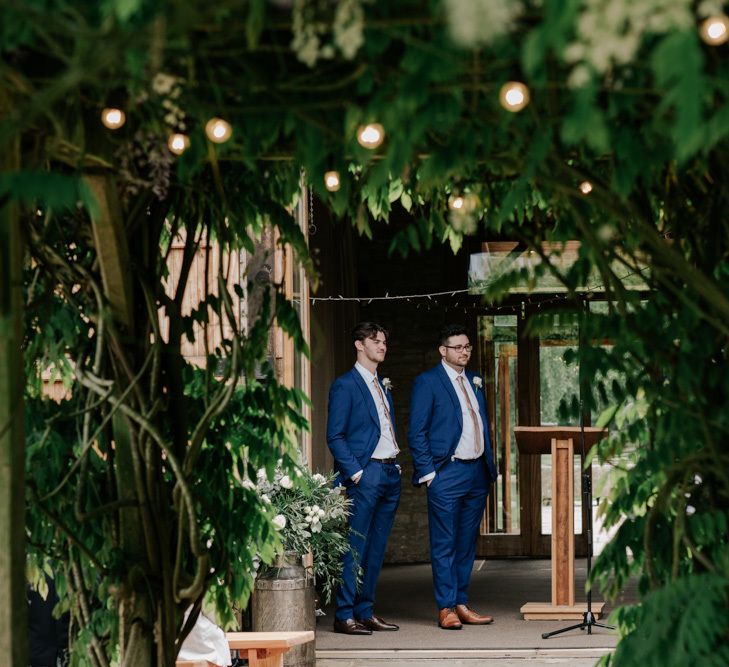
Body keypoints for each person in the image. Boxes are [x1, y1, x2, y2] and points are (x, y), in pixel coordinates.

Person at [407, 324, 498, 630]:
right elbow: (416, 431)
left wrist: (488, 467)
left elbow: (480, 423)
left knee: (466, 542)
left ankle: (461, 602)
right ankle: (445, 607)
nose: (465, 352)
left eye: (467, 347)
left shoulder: (475, 381)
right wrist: (429, 474)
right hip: (447, 472)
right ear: (443, 350)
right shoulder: (427, 382)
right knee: (445, 543)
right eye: (458, 347)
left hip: (476, 473)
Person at [327, 322, 401, 635]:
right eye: (375, 341)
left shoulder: (381, 385)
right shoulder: (345, 385)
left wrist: (396, 467)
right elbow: (335, 435)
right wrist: (356, 473)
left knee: (377, 547)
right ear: (360, 345)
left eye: (384, 341)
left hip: (389, 472)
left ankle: (365, 610)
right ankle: (344, 614)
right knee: (355, 546)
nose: (382, 346)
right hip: (366, 474)